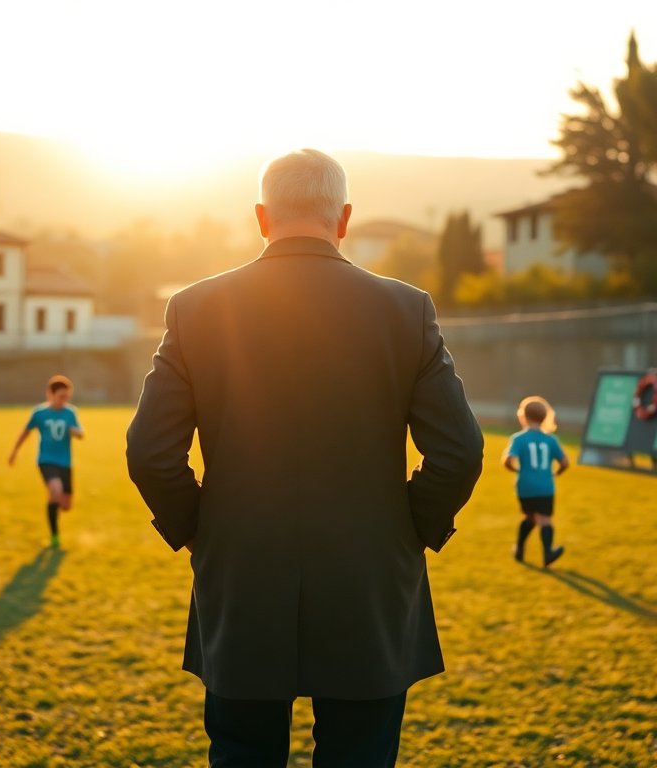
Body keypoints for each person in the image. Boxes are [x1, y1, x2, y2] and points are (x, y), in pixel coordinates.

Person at [127, 149, 483, 767]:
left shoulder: (195, 308)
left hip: (241, 573)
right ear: (342, 218)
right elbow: (458, 452)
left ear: (262, 218)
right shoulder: (406, 309)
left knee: (242, 755)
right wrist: (408, 530)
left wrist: (203, 532)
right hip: (369, 578)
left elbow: (151, 452)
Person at [8, 375, 85, 548]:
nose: (64, 400)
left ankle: (54, 504)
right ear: (50, 394)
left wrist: (76, 433)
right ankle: (55, 535)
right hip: (46, 460)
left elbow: (81, 433)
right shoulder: (39, 413)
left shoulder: (70, 412)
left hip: (65, 462)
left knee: (66, 506)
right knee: (55, 490)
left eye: (67, 397)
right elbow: (25, 432)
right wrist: (14, 451)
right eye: (61, 396)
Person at [503, 396, 570, 567]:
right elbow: (565, 463)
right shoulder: (551, 440)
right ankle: (548, 553)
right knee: (545, 519)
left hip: (524, 486)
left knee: (530, 517)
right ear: (544, 417)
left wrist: (517, 470)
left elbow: (508, 461)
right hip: (545, 486)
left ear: (523, 416)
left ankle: (519, 548)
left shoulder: (518, 438)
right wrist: (556, 473)